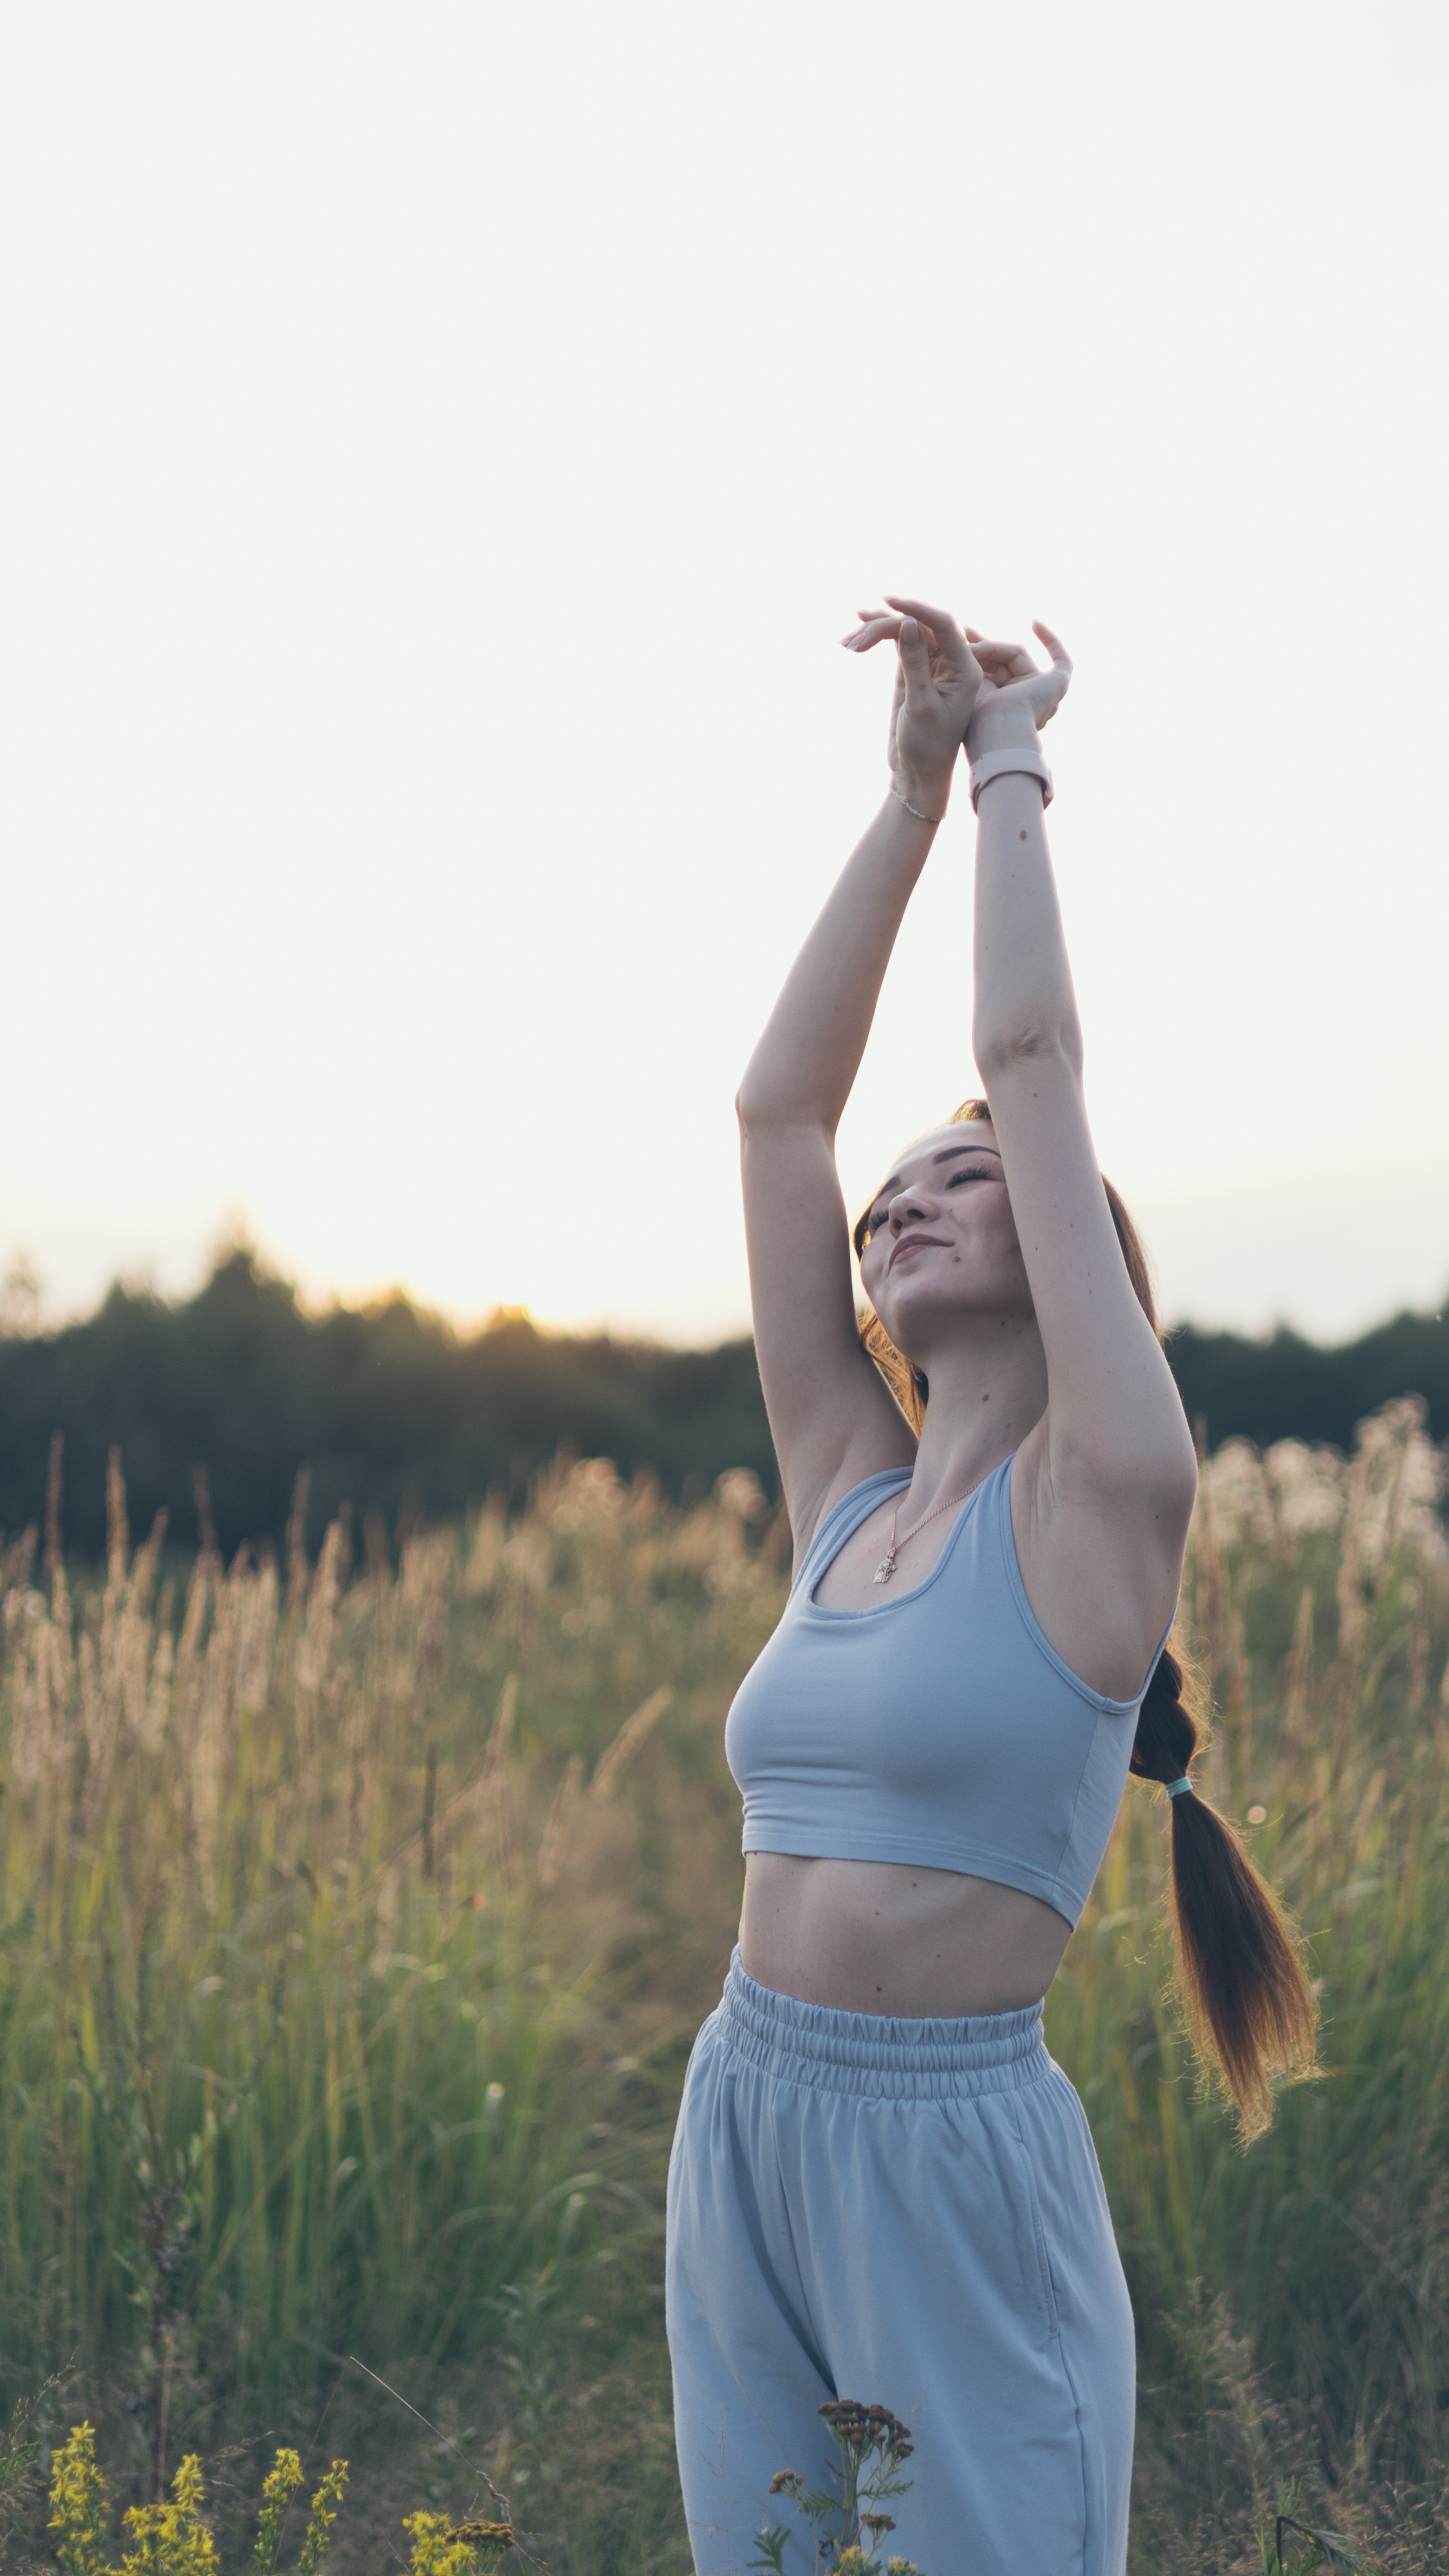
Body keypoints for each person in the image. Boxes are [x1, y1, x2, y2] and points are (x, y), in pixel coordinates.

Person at [665, 598, 1316, 2576]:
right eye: (888, 1210)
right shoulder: (845, 1498)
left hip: (949, 2150)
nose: (890, 1210)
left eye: (951, 1185)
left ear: (1058, 1248)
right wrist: (899, 794)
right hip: (743, 2106)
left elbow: (1023, 1056)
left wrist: (1011, 760)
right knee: (767, 2560)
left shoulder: (1106, 1495)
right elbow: (781, 1115)